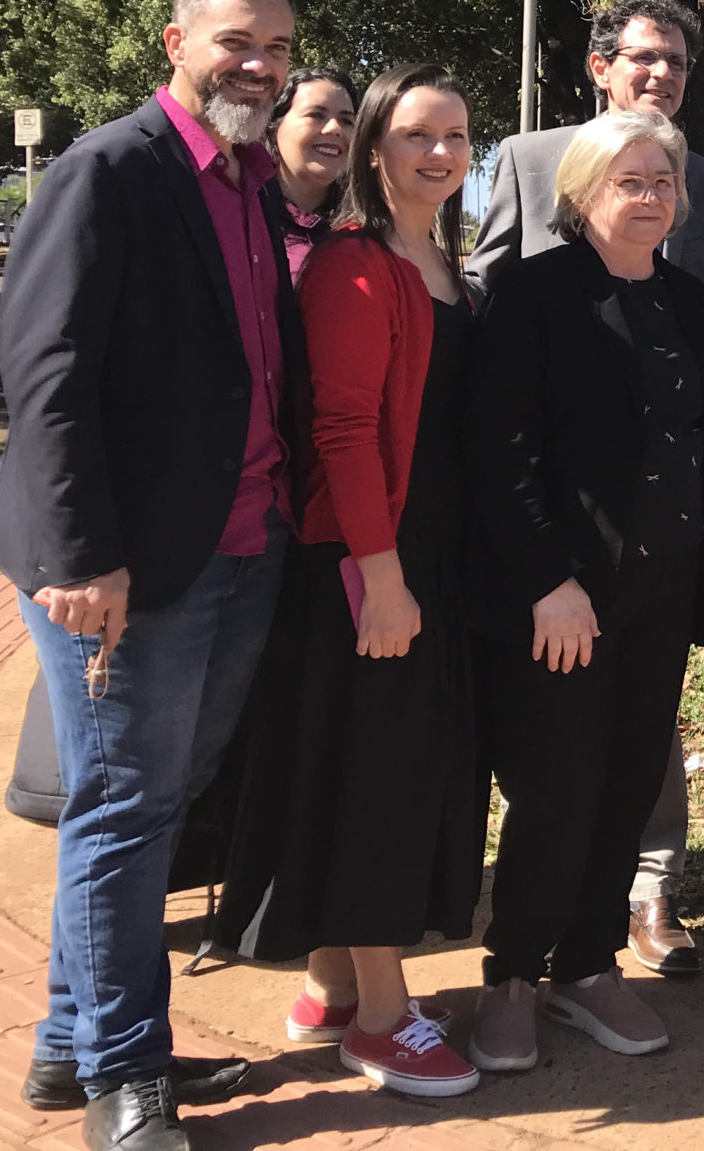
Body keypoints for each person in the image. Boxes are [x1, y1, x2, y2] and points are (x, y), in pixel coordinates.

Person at [0, 0, 300, 1151]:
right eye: (235, 42)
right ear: (176, 44)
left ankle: (74, 1046)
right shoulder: (111, 169)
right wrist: (79, 558)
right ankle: (126, 1077)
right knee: (121, 812)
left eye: (277, 47)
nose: (258, 66)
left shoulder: (253, 181)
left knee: (146, 806)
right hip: (123, 568)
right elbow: (47, 374)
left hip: (240, 544)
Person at [213, 63, 487, 1100]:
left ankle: (331, 984)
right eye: (418, 134)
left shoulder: (445, 263)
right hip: (372, 562)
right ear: (375, 148)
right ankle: (381, 1018)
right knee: (383, 781)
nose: (441, 152)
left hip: (432, 561)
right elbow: (341, 432)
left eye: (456, 135)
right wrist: (382, 575)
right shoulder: (354, 265)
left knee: (370, 766)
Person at [465, 0, 704, 975]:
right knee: (558, 779)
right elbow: (498, 428)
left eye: (663, 183)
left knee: (630, 772)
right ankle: (516, 968)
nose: (651, 197)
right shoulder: (532, 253)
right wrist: (544, 573)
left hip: (661, 574)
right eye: (631, 182)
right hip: (564, 567)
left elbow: (703, 419)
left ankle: (603, 945)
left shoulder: (694, 277)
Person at [267, 66, 357, 280]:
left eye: (346, 121)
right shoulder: (247, 215)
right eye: (316, 115)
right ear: (274, 126)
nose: (334, 128)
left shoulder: (367, 225)